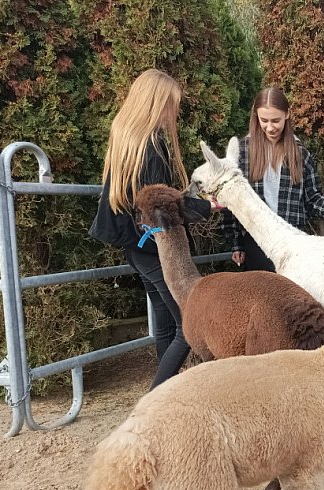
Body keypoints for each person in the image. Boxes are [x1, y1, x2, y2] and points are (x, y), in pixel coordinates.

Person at [89, 69, 220, 389]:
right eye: (171, 105)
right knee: (188, 328)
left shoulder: (125, 144)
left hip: (136, 249)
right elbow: (161, 205)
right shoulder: (151, 148)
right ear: (156, 104)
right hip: (154, 250)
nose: (173, 112)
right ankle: (156, 400)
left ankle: (164, 393)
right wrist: (210, 206)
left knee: (164, 325)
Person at [221, 87, 324, 271]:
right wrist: (236, 243)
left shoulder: (300, 153)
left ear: (287, 115)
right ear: (256, 117)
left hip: (294, 244)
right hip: (257, 241)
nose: (270, 127)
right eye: (264, 120)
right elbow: (232, 200)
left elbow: (312, 199)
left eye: (276, 120)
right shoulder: (242, 151)